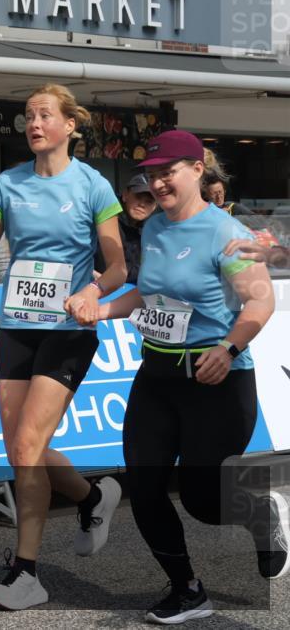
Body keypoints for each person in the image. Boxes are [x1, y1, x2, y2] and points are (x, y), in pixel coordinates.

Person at [0, 83, 128, 611]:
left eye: (44, 115)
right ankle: (92, 495)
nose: (34, 124)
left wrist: (92, 293)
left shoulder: (92, 186)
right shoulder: (7, 183)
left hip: (68, 331)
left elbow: (117, 268)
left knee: (26, 448)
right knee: (22, 449)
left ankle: (27, 573)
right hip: (16, 326)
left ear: (70, 126)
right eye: (28, 116)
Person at [94, 130, 286, 624]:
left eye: (168, 173)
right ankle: (187, 590)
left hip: (215, 379)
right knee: (145, 485)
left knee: (203, 499)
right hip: (157, 374)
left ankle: (261, 515)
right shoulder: (155, 228)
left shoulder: (227, 232)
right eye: (152, 175)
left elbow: (260, 299)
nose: (158, 183)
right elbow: (147, 293)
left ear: (197, 170)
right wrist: (101, 309)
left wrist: (229, 347)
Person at [96, 173, 157, 284]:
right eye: (138, 197)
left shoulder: (153, 230)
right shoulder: (108, 220)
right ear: (125, 195)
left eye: (149, 201)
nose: (142, 204)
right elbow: (110, 270)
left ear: (154, 207)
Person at [201, 151, 253, 216]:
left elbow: (256, 218)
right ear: (206, 195)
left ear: (225, 191)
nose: (218, 197)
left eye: (220, 192)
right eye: (214, 194)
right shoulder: (202, 211)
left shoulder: (234, 207)